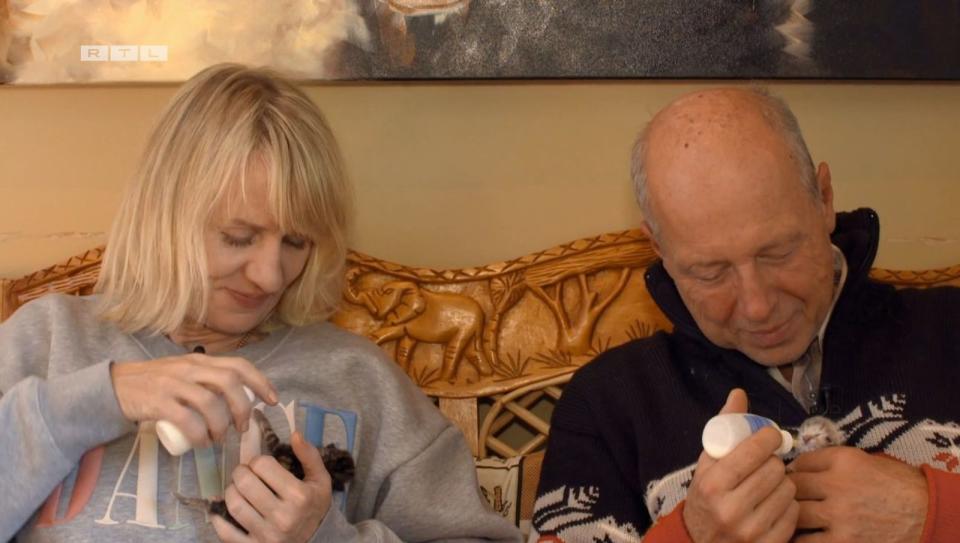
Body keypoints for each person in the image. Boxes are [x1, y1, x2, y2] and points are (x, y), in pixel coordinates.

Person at [0, 63, 520, 543]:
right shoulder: (48, 342)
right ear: (163, 217)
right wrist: (103, 396)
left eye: (296, 243)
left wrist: (325, 537)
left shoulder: (357, 377)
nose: (270, 276)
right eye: (239, 236)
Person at [530, 88, 960, 542]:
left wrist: (931, 514)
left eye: (777, 253)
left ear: (825, 199)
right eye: (711, 273)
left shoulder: (950, 331)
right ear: (659, 248)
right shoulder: (606, 404)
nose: (757, 306)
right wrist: (691, 535)